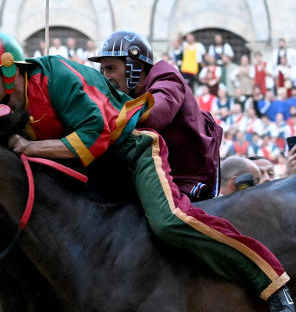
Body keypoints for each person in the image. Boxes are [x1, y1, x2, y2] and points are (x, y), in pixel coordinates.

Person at [0, 31, 294, 312]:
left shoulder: (72, 77)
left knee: (169, 222)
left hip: (157, 161)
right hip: (107, 167)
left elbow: (116, 128)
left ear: (10, 71)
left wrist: (36, 146)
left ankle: (268, 278)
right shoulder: (11, 105)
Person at [90, 30, 222, 200]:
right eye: (103, 70)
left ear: (135, 67)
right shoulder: (128, 96)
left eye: (111, 68)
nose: (106, 77)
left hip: (187, 183)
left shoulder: (168, 79)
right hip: (157, 178)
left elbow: (154, 114)